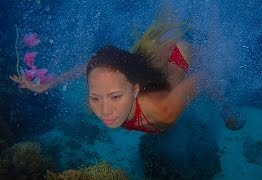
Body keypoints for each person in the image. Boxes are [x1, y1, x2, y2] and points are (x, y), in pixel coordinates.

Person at [10, 23, 245, 134]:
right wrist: (48, 84)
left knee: (195, 53)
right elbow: (92, 68)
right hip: (147, 65)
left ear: (135, 90)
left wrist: (225, 111)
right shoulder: (97, 103)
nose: (105, 111)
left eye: (115, 97)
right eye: (95, 98)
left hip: (179, 56)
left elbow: (202, 79)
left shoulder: (164, 111)